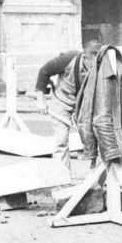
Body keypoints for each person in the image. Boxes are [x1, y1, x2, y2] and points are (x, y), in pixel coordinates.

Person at [34, 35, 102, 177]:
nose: (94, 63)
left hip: (82, 106)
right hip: (62, 103)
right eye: (92, 58)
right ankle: (61, 179)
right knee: (61, 140)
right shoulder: (69, 59)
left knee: (93, 137)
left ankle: (94, 175)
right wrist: (40, 99)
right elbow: (44, 71)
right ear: (84, 55)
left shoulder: (100, 67)